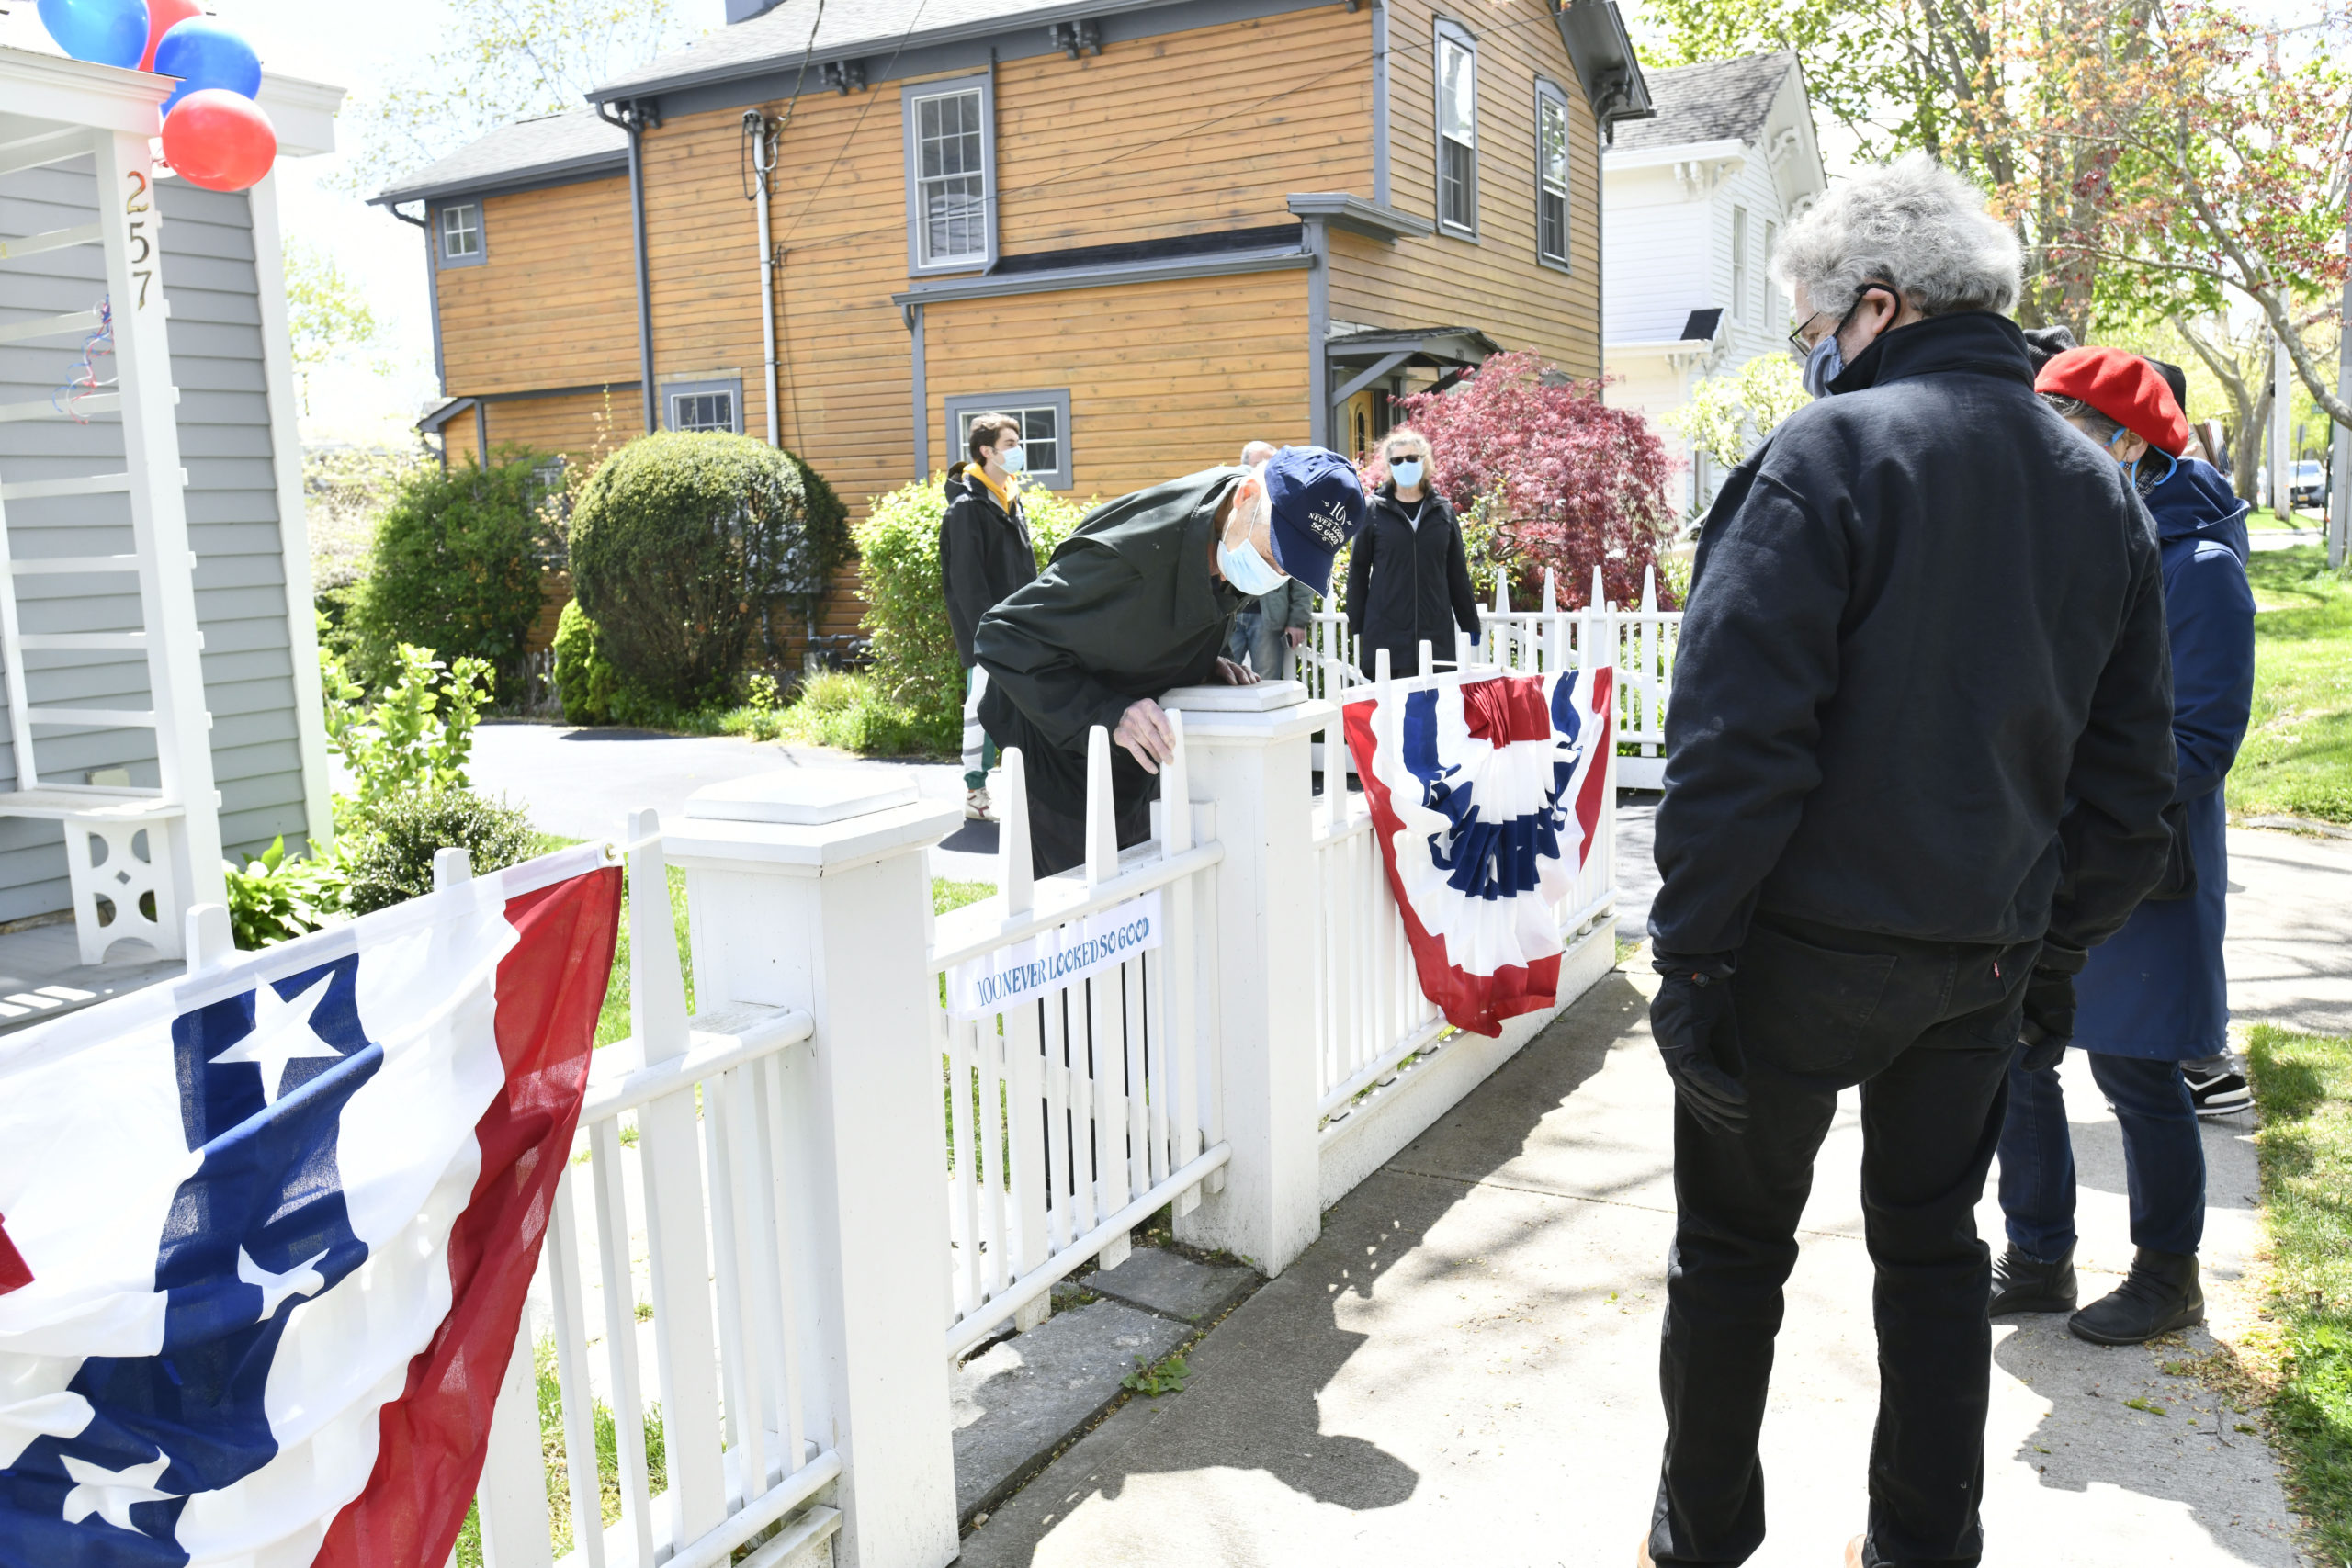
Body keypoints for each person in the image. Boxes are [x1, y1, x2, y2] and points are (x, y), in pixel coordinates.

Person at [1642, 155, 2177, 1568]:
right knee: (1934, 1258)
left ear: (1880, 304)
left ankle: (1700, 1537)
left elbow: (1736, 744)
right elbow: (2132, 793)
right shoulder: (2099, 488)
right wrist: (2049, 958)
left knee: (1733, 1255)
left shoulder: (1826, 456)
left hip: (1793, 960)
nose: (1814, 348)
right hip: (1977, 961)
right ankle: (1922, 1544)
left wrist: (1691, 954)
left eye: (1819, 320)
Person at [1993, 345, 2256, 1344]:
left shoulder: (2198, 565)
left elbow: (2201, 741)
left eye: (2068, 439)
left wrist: (2071, 786)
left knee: (2137, 1074)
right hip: (2047, 851)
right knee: (2020, 1058)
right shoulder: (2069, 543)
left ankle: (2166, 1274)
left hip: (2141, 863)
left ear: (2126, 444)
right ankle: (2037, 1258)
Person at [976, 446, 1366, 876]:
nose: (1277, 572)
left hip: (1133, 748)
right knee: (1087, 917)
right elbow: (1002, 635)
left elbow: (1166, 615)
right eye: (1276, 550)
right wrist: (1107, 713)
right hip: (1057, 754)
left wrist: (1202, 661)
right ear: (1247, 495)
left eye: (1294, 565)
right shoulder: (1129, 556)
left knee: (1146, 900)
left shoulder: (1235, 527)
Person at [940, 413, 1038, 822]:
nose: (1018, 450)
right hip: (989, 633)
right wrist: (989, 633)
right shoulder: (967, 508)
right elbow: (967, 582)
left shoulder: (1010, 500)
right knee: (980, 708)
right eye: (1011, 443)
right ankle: (975, 792)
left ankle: (1028, 790)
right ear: (987, 451)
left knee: (1024, 707)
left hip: (1021, 626)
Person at [1344, 428, 1480, 677]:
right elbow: (1358, 570)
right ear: (1389, 466)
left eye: (1411, 458)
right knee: (1393, 711)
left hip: (1436, 634)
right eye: (1397, 460)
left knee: (1435, 710)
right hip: (1388, 635)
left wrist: (1469, 621)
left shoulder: (1443, 511)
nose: (1404, 464)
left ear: (1424, 461)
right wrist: (1359, 621)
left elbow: (1457, 572)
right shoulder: (1373, 509)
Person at [1227, 441, 1280, 666]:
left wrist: (1297, 619)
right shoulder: (1229, 507)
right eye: (1261, 463)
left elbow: (1297, 573)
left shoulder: (1280, 508)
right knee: (1221, 682)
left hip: (1267, 617)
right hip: (1230, 614)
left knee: (1267, 680)